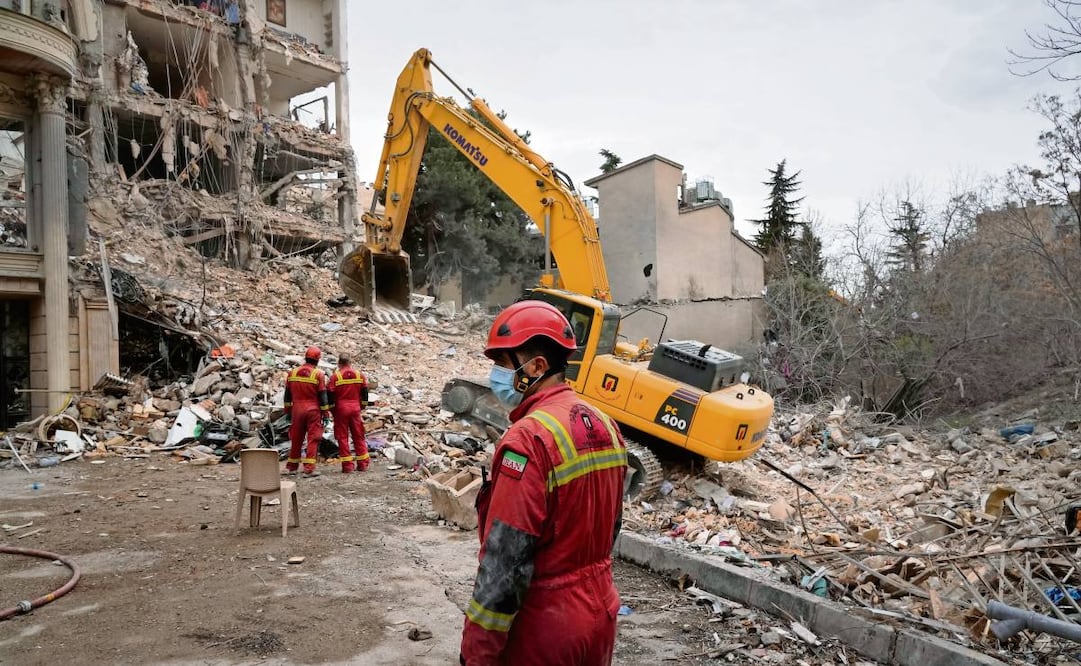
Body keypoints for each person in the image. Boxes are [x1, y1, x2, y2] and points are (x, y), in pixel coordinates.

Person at [460, 300, 627, 665]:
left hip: (546, 627)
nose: (496, 375)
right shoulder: (605, 424)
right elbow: (612, 526)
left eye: (503, 365)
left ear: (536, 366)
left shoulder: (529, 438)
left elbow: (505, 564)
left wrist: (477, 653)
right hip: (600, 611)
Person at [283, 345, 330, 477]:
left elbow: (287, 395)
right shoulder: (318, 375)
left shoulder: (292, 373)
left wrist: (288, 411)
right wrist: (325, 414)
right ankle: (309, 468)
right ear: (318, 360)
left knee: (296, 438)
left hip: (297, 410)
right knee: (313, 438)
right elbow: (323, 397)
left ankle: (292, 466)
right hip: (312, 410)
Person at [328, 352, 370, 473]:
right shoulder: (359, 375)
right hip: (355, 408)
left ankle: (347, 466)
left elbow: (330, 394)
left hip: (341, 409)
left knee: (342, 437)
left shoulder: (336, 376)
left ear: (339, 363)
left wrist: (332, 411)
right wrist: (361, 406)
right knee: (359, 435)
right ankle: (362, 464)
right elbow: (365, 392)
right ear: (350, 362)